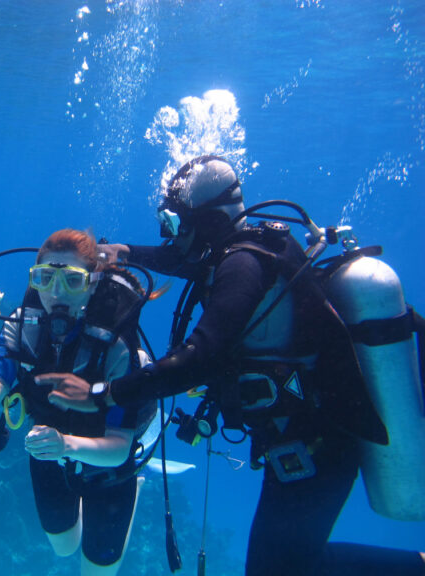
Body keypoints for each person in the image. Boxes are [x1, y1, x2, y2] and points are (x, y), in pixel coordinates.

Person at [36, 157, 425, 576]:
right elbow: (186, 262)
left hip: (317, 441)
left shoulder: (242, 264)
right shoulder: (242, 253)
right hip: (303, 434)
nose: (172, 234)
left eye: (176, 222)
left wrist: (103, 393)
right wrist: (129, 253)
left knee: (281, 569)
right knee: (284, 565)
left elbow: (200, 356)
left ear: (208, 223)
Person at [0, 229, 155, 576]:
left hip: (107, 465)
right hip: (49, 453)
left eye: (72, 281)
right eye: (45, 278)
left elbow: (118, 449)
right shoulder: (23, 329)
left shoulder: (118, 348)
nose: (56, 292)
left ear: (93, 283)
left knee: (96, 572)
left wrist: (67, 444)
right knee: (63, 549)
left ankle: (136, 487)